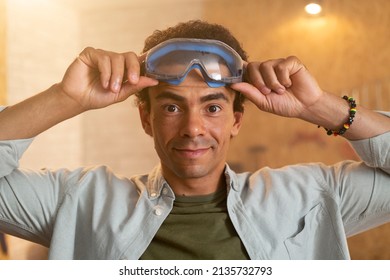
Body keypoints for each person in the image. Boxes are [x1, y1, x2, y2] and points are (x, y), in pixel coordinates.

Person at [0, 20, 389, 260]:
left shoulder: (312, 196)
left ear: (237, 120)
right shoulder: (80, 201)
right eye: (171, 108)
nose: (193, 128)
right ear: (145, 118)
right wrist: (64, 98)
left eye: (213, 108)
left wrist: (319, 106)